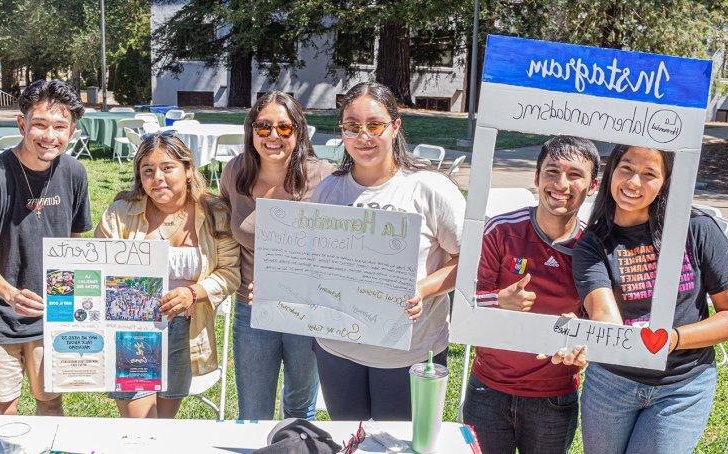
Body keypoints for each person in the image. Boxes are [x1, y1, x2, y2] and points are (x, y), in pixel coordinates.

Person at [572, 145, 728, 453]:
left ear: (666, 182)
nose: (634, 182)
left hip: (683, 386)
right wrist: (596, 336)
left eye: (649, 174)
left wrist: (673, 338)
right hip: (611, 384)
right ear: (611, 172)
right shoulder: (592, 244)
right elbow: (603, 311)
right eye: (626, 168)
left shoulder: (697, 229)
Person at [310, 81, 466, 421]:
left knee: (400, 446)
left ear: (395, 127)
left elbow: (470, 261)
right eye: (352, 127)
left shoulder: (429, 188)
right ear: (342, 133)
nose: (363, 136)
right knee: (349, 440)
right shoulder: (328, 191)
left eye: (375, 125)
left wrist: (421, 289)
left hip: (409, 354)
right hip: (337, 350)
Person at [0, 80, 91, 416]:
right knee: (4, 406)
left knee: (50, 400)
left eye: (60, 126)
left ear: (72, 130)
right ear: (22, 124)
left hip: (53, 312)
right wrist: (10, 293)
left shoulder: (75, 173)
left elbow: (76, 241)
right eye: (40, 125)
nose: (50, 136)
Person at [465, 136, 599, 453]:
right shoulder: (500, 231)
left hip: (553, 397)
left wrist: (582, 332)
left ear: (593, 186)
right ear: (536, 177)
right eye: (552, 171)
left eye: (575, 174)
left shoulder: (593, 248)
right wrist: (499, 301)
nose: (561, 184)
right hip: (488, 390)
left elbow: (602, 325)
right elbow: (465, 303)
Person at [95, 132, 239, 418]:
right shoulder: (121, 213)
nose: (157, 177)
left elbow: (229, 271)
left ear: (187, 170)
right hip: (132, 331)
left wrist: (193, 293)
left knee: (163, 424)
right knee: (140, 426)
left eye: (167, 168)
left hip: (185, 331)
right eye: (148, 170)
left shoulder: (215, 213)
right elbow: (97, 268)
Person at [219, 91, 334, 420]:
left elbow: (343, 244)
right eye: (263, 126)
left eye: (284, 128)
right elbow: (221, 231)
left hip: (306, 312)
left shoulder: (324, 177)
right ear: (251, 130)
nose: (272, 136)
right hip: (252, 308)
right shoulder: (234, 173)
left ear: (299, 132)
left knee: (300, 413)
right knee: (253, 414)